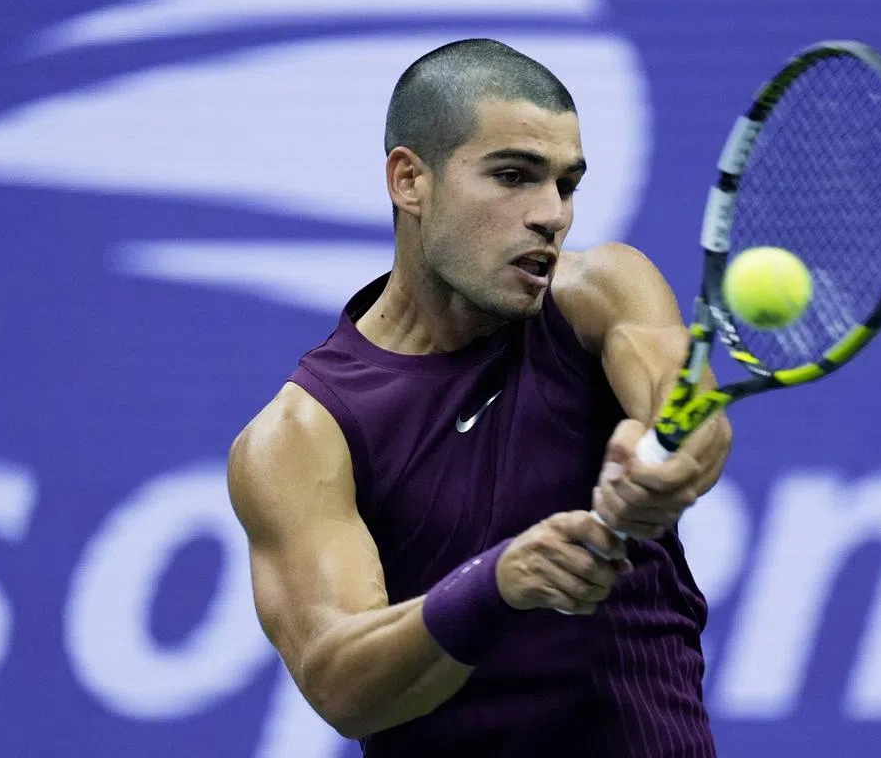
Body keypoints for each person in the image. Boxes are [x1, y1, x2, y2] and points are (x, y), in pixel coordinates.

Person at [227, 38, 732, 757]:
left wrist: (665, 461)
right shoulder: (303, 435)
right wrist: (496, 583)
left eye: (566, 184)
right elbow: (339, 682)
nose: (551, 214)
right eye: (513, 176)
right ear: (410, 180)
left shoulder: (599, 294)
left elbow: (687, 407)